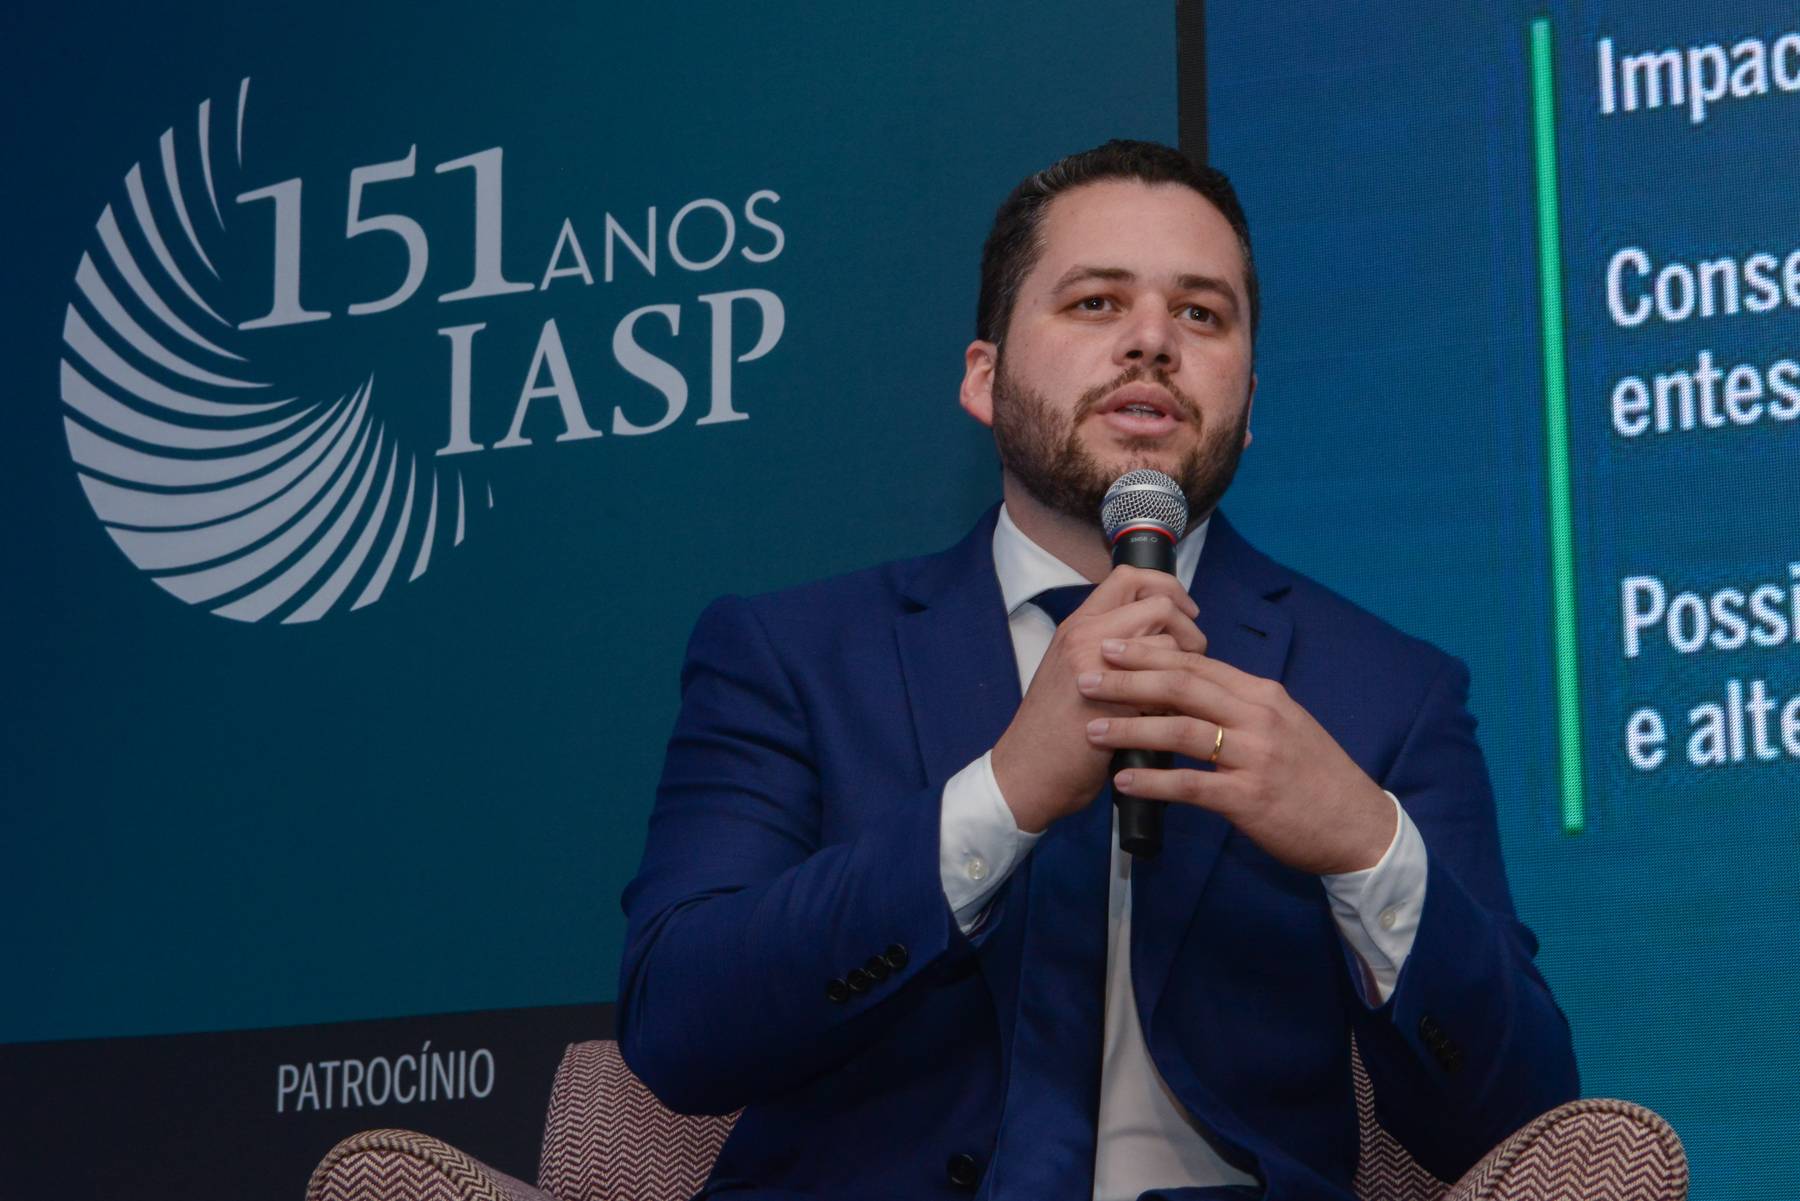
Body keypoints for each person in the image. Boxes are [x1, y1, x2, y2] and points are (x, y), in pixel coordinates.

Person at [618, 140, 1578, 1201]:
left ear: (1249, 402)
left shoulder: (1387, 692)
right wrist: (1001, 796)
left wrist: (1366, 846)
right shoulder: (793, 655)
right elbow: (678, 1026)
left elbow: (1527, 1121)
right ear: (984, 379)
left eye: (1201, 314)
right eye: (1095, 302)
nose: (1154, 340)